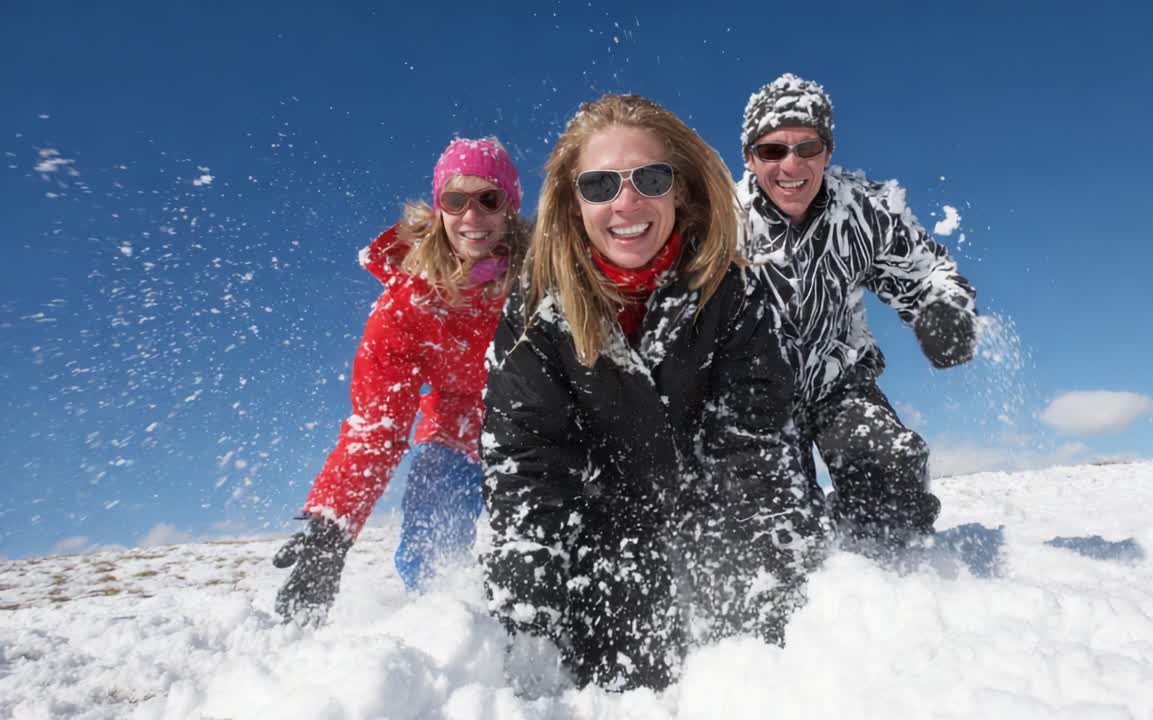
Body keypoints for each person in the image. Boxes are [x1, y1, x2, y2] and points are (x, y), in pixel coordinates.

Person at [480, 94, 826, 691]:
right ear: (571, 203)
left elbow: (754, 452)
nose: (627, 202)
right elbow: (529, 459)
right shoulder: (536, 310)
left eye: (650, 178)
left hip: (711, 510)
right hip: (605, 526)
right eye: (599, 186)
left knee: (762, 646)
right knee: (618, 666)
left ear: (681, 190)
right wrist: (528, 597)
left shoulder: (732, 294)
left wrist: (762, 591)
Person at [273, 137, 527, 623]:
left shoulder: (539, 277)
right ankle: (444, 630)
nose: (471, 216)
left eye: (488, 199)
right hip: (455, 436)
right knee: (434, 545)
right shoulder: (408, 303)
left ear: (510, 208)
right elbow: (378, 424)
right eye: (456, 200)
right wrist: (330, 528)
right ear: (438, 210)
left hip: (536, 432)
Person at [737, 74, 979, 552]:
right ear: (749, 157)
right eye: (772, 151)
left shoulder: (863, 210)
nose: (792, 165)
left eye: (807, 148)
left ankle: (889, 570)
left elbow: (927, 271)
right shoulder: (723, 222)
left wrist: (944, 311)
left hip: (839, 383)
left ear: (827, 151)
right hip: (755, 399)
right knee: (777, 535)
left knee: (890, 471)